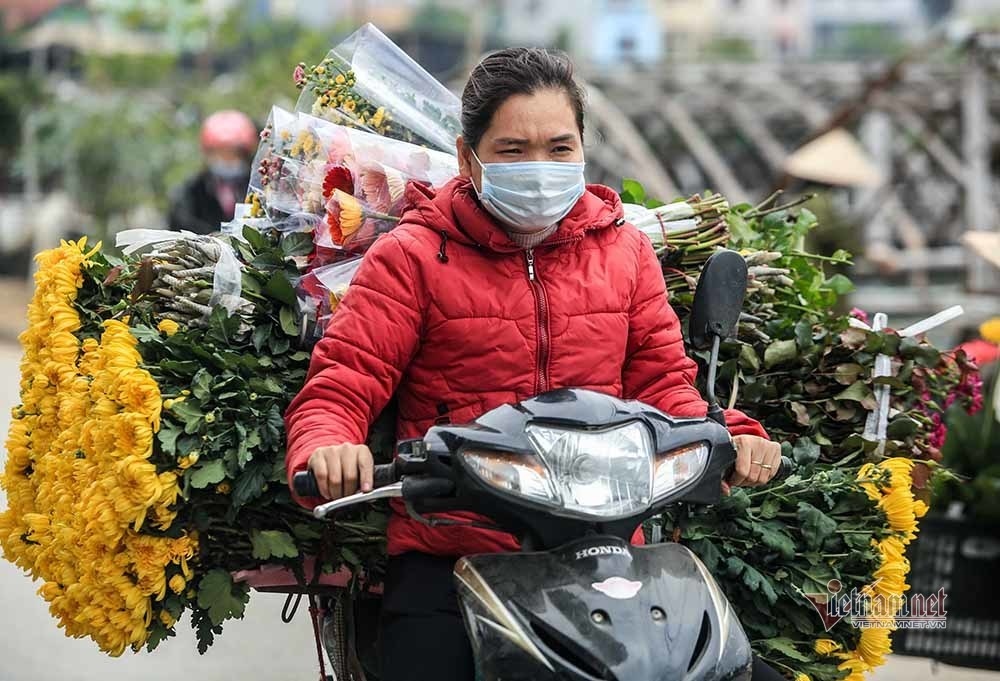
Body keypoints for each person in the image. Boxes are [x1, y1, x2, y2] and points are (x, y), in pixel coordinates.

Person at [285, 48, 785, 681]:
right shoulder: (410, 257)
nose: (539, 168)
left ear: (582, 152)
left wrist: (730, 436)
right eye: (513, 150)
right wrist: (329, 448)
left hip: (606, 557)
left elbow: (665, 389)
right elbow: (340, 387)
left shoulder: (625, 252)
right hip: (455, 554)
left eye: (559, 148)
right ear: (469, 159)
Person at [167, 110, 257, 235]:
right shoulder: (191, 193)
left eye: (233, 153)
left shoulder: (259, 189)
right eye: (220, 153)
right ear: (208, 153)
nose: (227, 160)